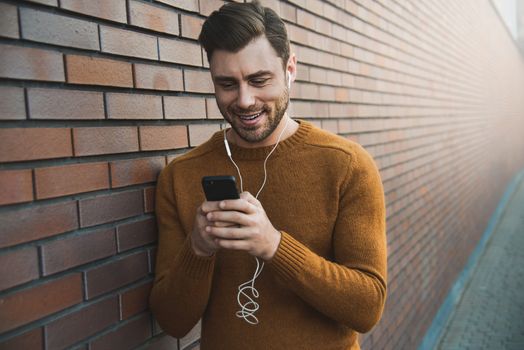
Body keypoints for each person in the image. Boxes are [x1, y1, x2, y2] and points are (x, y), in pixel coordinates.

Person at [149, 1, 387, 349]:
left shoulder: (347, 165)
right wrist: (197, 249)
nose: (244, 100)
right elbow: (173, 321)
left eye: (259, 80)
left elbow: (367, 307)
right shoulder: (180, 177)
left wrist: (274, 246)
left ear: (290, 68)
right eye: (227, 83)